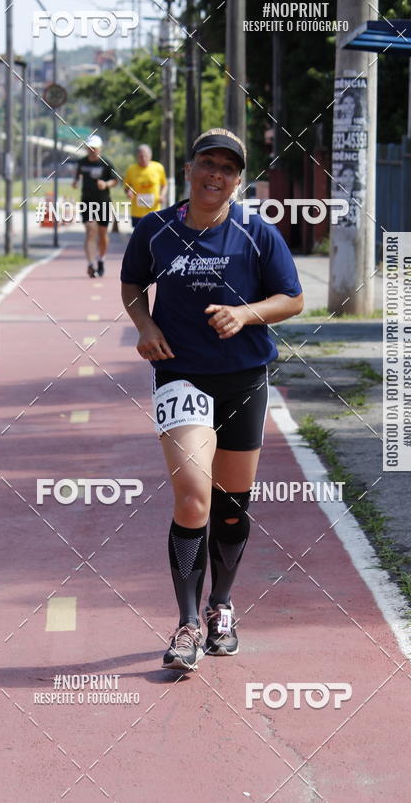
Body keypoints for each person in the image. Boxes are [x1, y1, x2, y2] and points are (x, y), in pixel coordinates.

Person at [120, 128, 304, 672]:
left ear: (238, 180)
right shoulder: (153, 230)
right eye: (207, 163)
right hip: (179, 376)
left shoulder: (256, 234)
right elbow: (132, 287)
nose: (215, 174)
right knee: (193, 497)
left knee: (230, 506)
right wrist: (145, 326)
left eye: (227, 167)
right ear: (190, 168)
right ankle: (185, 623)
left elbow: (292, 298)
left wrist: (245, 314)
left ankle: (221, 605)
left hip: (243, 378)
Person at [72, 135, 118, 277]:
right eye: (89, 148)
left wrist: (106, 184)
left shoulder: (106, 163)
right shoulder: (81, 163)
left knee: (103, 235)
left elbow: (115, 180)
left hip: (103, 202)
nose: (92, 150)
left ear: (100, 149)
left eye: (94, 148)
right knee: (91, 230)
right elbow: (77, 176)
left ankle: (101, 260)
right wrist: (75, 182)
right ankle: (91, 264)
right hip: (87, 202)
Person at [123, 144, 167, 226]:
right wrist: (128, 191)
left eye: (145, 156)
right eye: (141, 156)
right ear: (137, 156)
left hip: (154, 211)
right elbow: (126, 186)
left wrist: (162, 195)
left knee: (154, 236)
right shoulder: (131, 169)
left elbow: (164, 185)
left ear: (150, 155)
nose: (143, 158)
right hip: (137, 212)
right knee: (139, 237)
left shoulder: (158, 167)